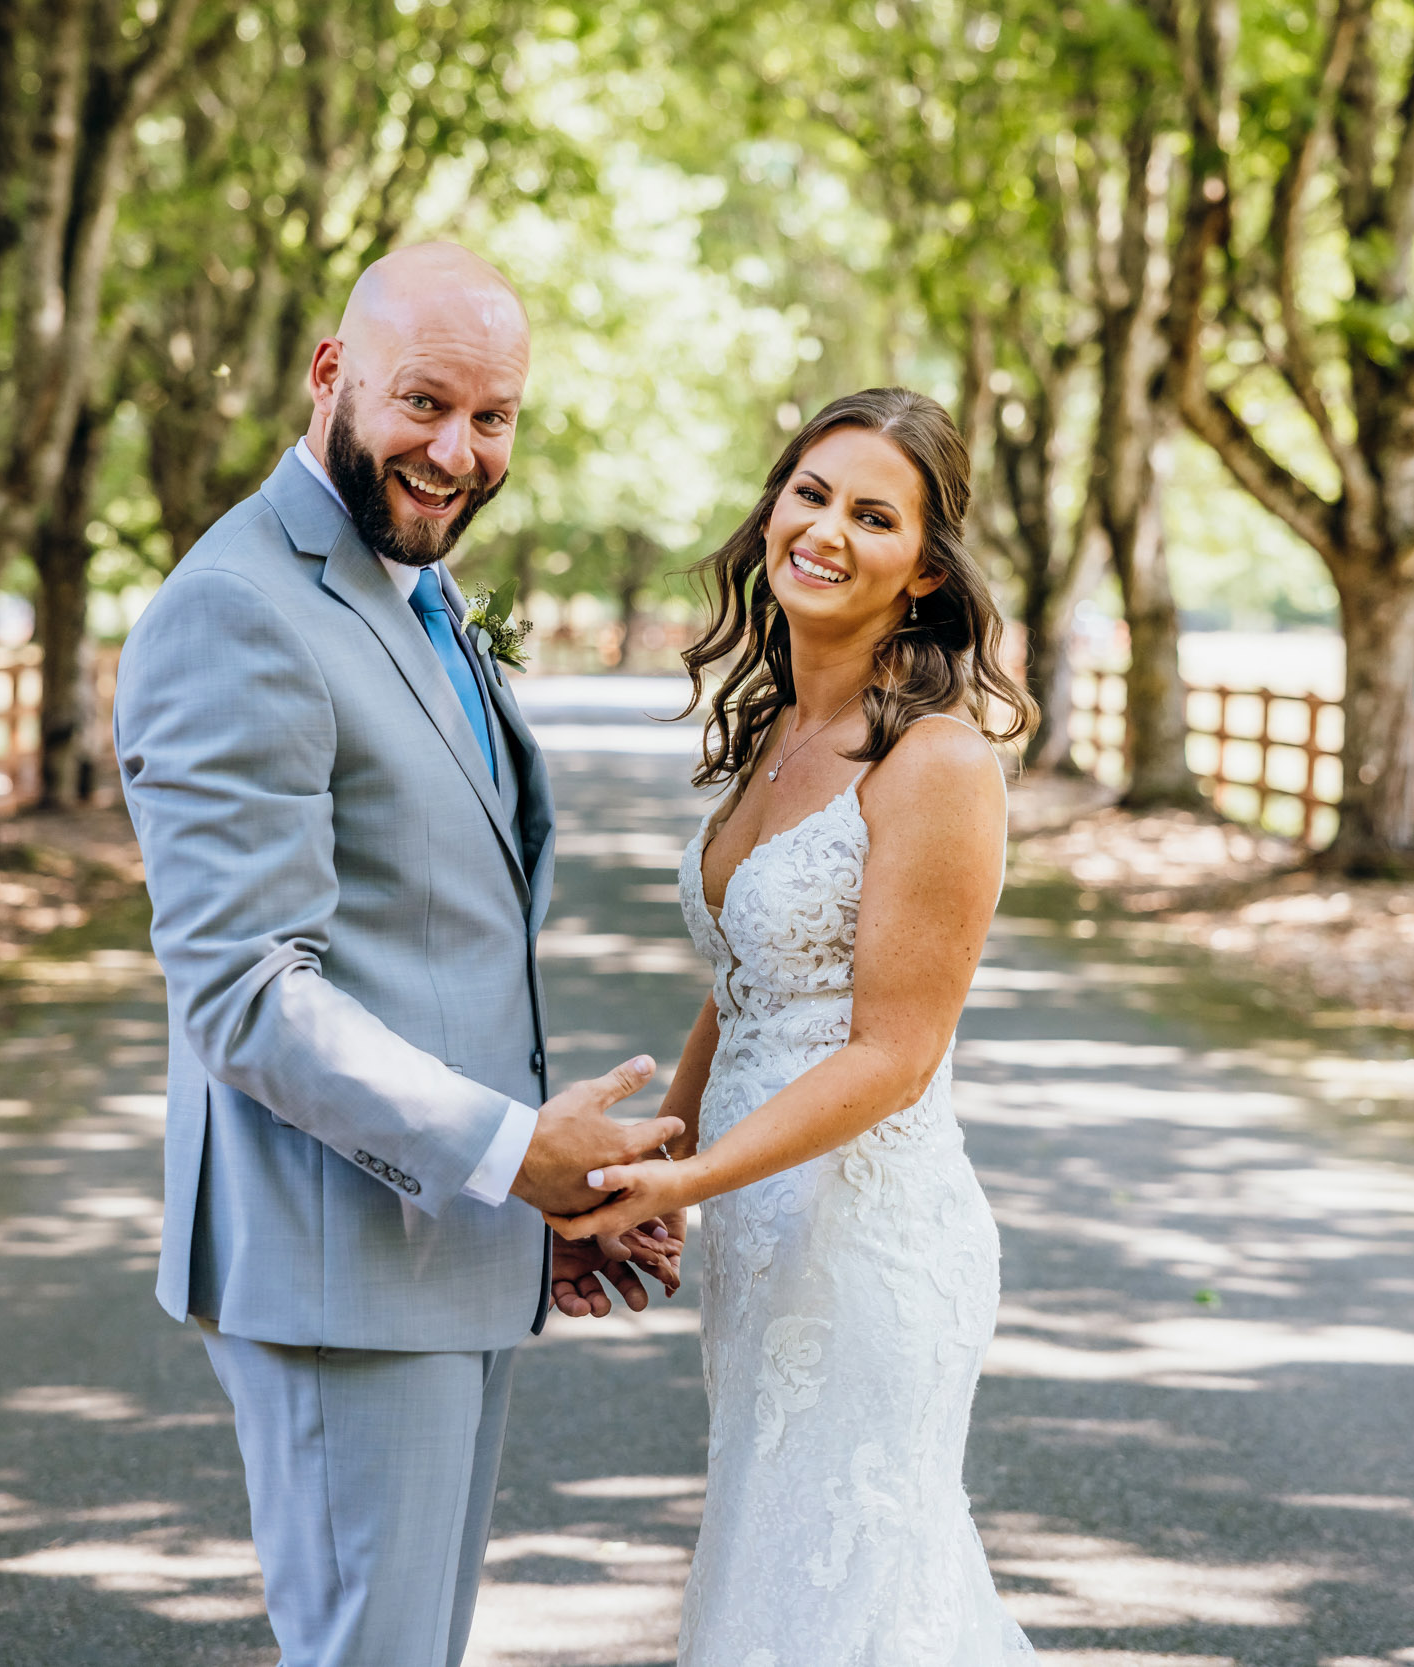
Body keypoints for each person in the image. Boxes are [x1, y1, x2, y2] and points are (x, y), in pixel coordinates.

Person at [113, 242, 684, 1667]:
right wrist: (508, 1150)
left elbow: (434, 930)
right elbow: (246, 991)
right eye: (424, 402)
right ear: (330, 373)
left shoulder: (411, 588)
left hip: (445, 1249)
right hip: (337, 1261)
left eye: (493, 418)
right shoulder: (238, 606)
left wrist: (528, 1194)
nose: (457, 450)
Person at [547, 387, 1041, 1664]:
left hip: (871, 1234)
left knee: (855, 1594)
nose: (825, 529)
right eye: (810, 493)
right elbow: (743, 980)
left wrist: (695, 1171)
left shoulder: (934, 761)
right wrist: (662, 1151)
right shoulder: (777, 731)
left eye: (875, 515)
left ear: (924, 569)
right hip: (764, 1234)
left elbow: (894, 1051)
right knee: (773, 1574)